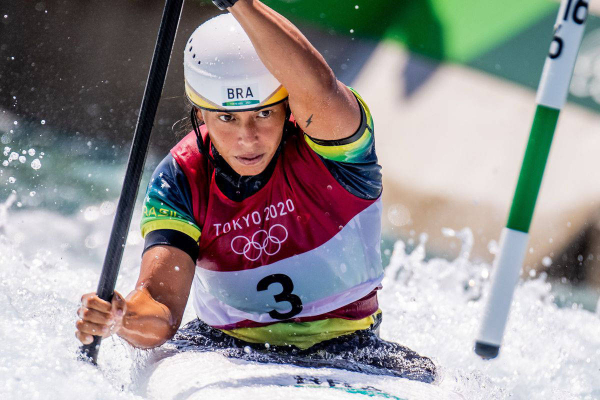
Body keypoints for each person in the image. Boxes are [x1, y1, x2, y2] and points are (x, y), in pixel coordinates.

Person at [75, 0, 436, 382]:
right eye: (227, 118)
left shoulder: (334, 148)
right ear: (201, 115)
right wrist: (122, 316)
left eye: (263, 113)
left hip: (352, 347)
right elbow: (161, 307)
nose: (248, 139)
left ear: (286, 106)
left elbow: (320, 86)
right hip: (222, 348)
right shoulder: (181, 179)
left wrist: (239, 3)